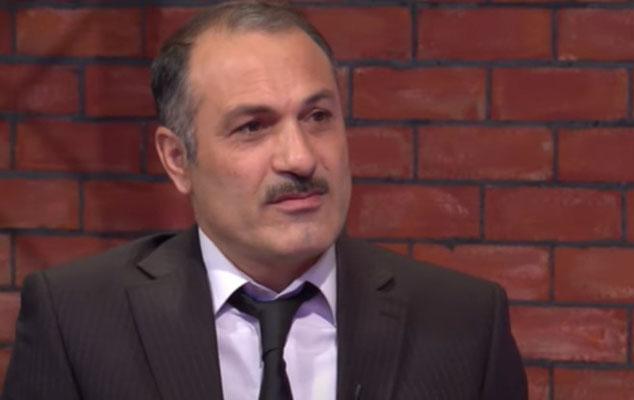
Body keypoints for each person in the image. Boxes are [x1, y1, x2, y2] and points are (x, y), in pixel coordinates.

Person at [2, 2, 527, 399]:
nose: (300, 158)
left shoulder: (464, 324)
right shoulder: (76, 320)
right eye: (253, 127)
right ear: (178, 159)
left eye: (318, 117)